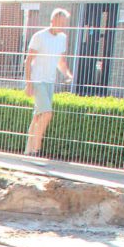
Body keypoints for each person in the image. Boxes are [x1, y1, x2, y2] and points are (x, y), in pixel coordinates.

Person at [24, 8, 74, 157]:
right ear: (52, 21)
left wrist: (68, 74)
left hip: (50, 81)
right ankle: (36, 150)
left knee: (38, 116)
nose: (62, 25)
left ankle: (28, 150)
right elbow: (28, 61)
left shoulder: (62, 38)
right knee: (46, 113)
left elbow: (61, 61)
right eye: (59, 22)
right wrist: (29, 83)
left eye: (64, 23)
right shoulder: (39, 36)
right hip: (37, 79)